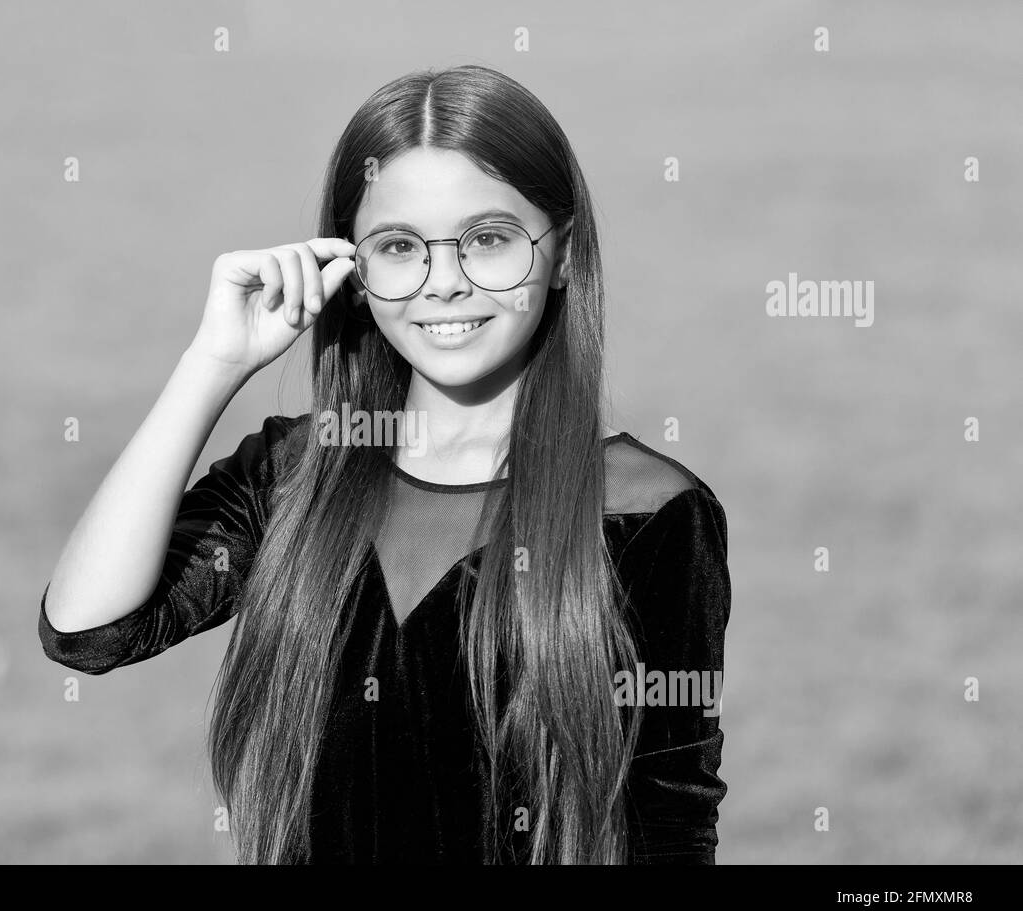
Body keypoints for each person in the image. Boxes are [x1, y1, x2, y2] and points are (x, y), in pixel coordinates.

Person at [38, 64, 731, 864]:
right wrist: (213, 364)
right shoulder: (298, 475)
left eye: (489, 240)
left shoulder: (646, 510)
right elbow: (87, 630)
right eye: (400, 247)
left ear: (564, 254)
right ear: (356, 274)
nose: (444, 283)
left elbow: (668, 829)